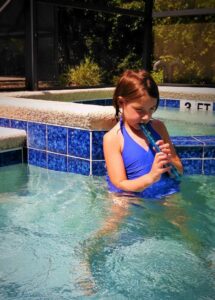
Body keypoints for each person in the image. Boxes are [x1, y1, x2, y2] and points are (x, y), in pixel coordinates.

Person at [103, 69, 183, 200]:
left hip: (167, 193)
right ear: (122, 102)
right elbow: (120, 184)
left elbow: (179, 169)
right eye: (139, 110)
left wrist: (170, 163)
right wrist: (151, 177)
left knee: (180, 218)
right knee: (117, 212)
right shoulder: (113, 138)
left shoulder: (159, 128)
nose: (146, 117)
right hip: (133, 197)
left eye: (152, 109)